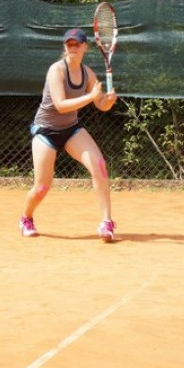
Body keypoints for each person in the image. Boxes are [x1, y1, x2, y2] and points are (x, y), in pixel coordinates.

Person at [20, 27, 118, 241]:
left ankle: (107, 223)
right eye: (68, 43)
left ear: (84, 47)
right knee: (42, 187)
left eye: (76, 43)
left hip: (71, 129)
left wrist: (107, 101)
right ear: (65, 47)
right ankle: (26, 218)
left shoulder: (87, 73)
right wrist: (90, 97)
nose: (72, 46)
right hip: (46, 131)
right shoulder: (56, 70)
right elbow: (61, 105)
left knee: (99, 165)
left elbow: (100, 104)